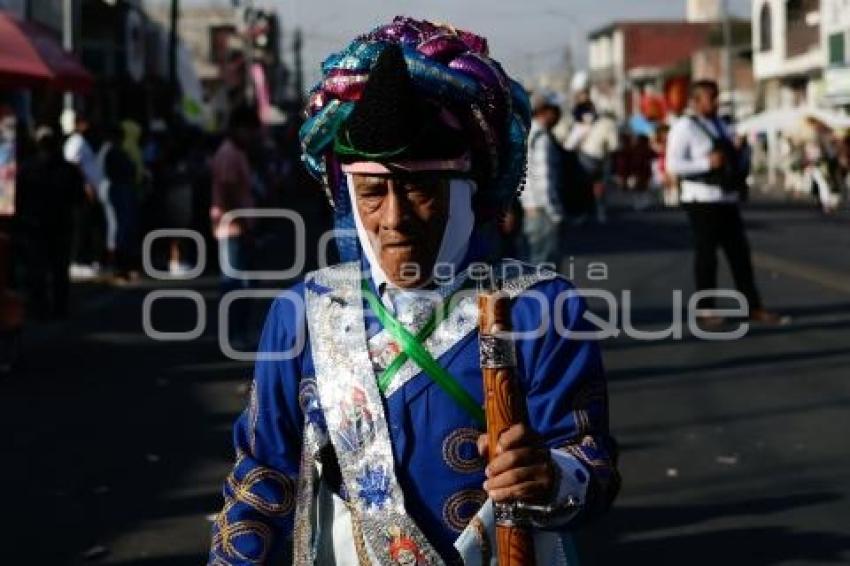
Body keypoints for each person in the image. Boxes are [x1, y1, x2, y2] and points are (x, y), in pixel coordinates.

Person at [208, 19, 619, 565]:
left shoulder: (540, 307)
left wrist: (549, 475)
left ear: (469, 192)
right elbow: (262, 476)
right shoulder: (305, 313)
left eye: (421, 189)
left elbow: (591, 459)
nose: (394, 219)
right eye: (373, 192)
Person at [666, 80, 787, 327]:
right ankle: (706, 309)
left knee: (740, 255)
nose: (715, 102)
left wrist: (740, 152)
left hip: (726, 198)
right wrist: (706, 164)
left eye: (716, 96)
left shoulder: (722, 125)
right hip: (701, 199)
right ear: (696, 100)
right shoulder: (684, 128)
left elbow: (733, 158)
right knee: (707, 256)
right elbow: (673, 165)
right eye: (710, 97)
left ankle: (753, 306)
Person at [16, 126, 85, 318]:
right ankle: (59, 307)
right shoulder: (68, 170)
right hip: (60, 224)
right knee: (58, 269)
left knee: (37, 269)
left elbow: (17, 199)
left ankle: (40, 308)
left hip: (34, 225)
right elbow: (79, 199)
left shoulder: (26, 169)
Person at [210, 106, 261, 348]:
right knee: (234, 285)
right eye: (250, 130)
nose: (252, 136)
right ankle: (233, 336)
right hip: (233, 229)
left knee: (244, 284)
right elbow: (228, 194)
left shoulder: (237, 152)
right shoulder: (229, 154)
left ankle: (240, 332)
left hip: (238, 228)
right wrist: (243, 225)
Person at [63, 111, 109, 278]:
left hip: (90, 190)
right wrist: (86, 185)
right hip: (82, 191)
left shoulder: (82, 141)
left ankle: (87, 260)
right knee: (80, 227)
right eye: (83, 122)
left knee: (90, 226)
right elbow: (74, 163)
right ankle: (76, 262)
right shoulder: (75, 142)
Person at [521, 92, 564, 266]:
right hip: (543, 213)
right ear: (545, 112)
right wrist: (555, 213)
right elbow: (543, 178)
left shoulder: (527, 133)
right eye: (556, 111)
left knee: (533, 266)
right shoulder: (541, 138)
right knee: (546, 268)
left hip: (531, 210)